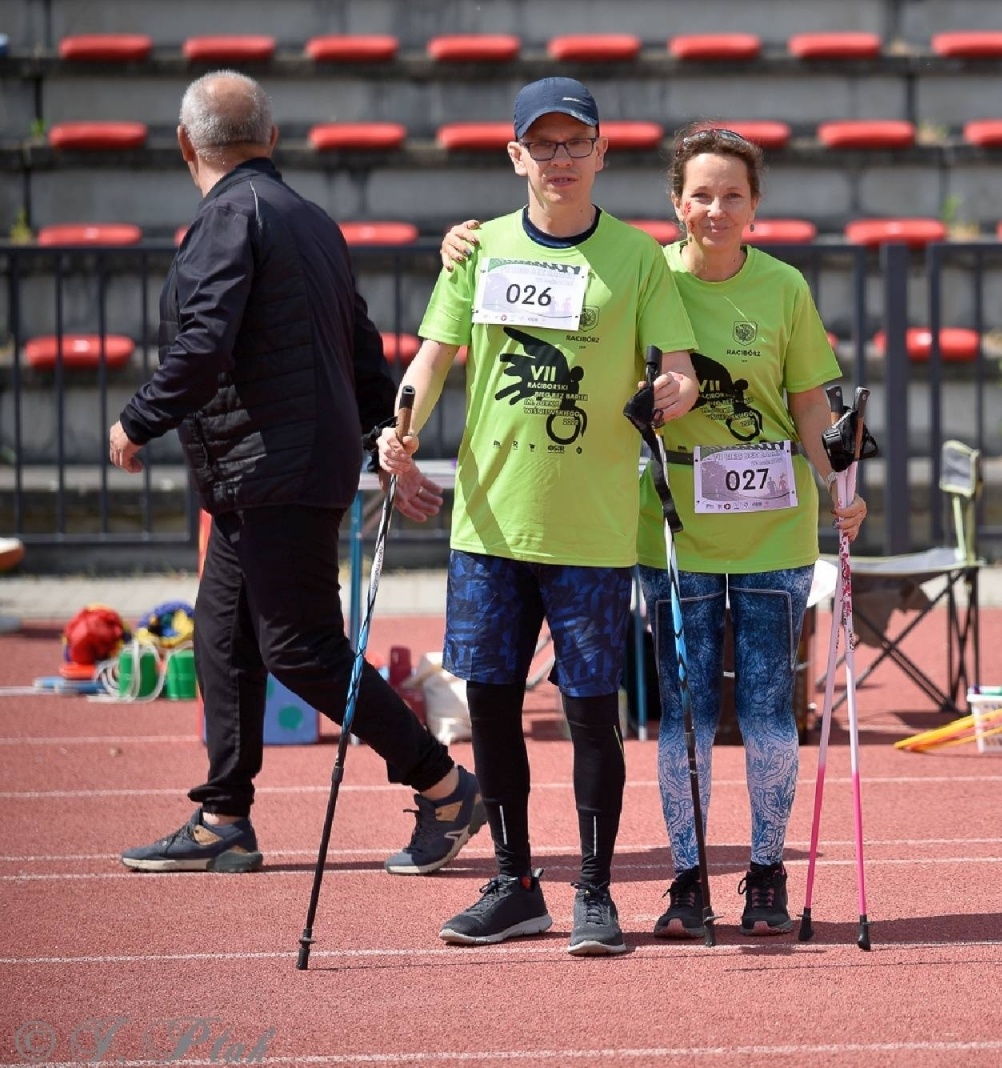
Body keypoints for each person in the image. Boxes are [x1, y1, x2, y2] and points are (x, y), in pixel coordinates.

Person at [440, 124, 866, 938]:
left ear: (756, 207)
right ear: (677, 204)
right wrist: (465, 243)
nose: (715, 209)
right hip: (671, 534)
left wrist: (841, 484)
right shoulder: (641, 271)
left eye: (732, 195)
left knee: (772, 716)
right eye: (700, 195)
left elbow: (814, 404)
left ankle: (768, 874)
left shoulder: (784, 289)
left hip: (775, 535)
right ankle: (685, 878)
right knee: (687, 716)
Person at [108, 71, 484, 878]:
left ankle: (445, 786)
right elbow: (360, 342)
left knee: (301, 648)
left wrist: (136, 419)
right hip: (277, 470)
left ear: (186, 147)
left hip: (271, 469)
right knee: (224, 641)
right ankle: (222, 817)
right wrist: (389, 429)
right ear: (271, 140)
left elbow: (204, 345)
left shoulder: (224, 218)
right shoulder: (309, 219)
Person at [377, 77, 700, 955]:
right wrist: (397, 431)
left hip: (591, 527)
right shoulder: (475, 250)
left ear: (601, 152)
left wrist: (675, 387)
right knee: (491, 706)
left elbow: (679, 364)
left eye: (574, 143)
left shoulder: (638, 258)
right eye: (542, 144)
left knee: (593, 709)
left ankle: (594, 891)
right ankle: (516, 883)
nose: (559, 159)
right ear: (516, 154)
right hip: (489, 525)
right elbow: (431, 361)